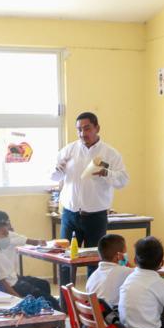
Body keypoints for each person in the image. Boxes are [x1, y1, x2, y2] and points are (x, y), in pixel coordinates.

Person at [50, 112, 129, 282]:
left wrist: (105, 172)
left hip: (96, 217)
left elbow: (123, 181)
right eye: (79, 130)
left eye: (87, 128)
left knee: (97, 263)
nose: (82, 134)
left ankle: (94, 304)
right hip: (70, 215)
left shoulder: (110, 154)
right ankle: (66, 305)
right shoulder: (68, 151)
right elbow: (53, 178)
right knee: (65, 260)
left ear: (97, 128)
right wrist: (59, 170)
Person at [0, 220, 61, 310]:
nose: (7, 237)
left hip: (16, 280)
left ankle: (44, 312)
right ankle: (52, 311)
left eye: (7, 234)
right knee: (52, 301)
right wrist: (17, 298)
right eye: (4, 234)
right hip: (15, 286)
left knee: (44, 284)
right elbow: (3, 282)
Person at [85, 233, 132, 309]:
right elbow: (142, 274)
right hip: (109, 318)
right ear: (119, 256)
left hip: (92, 318)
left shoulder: (93, 276)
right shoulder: (125, 272)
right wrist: (126, 262)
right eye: (125, 252)